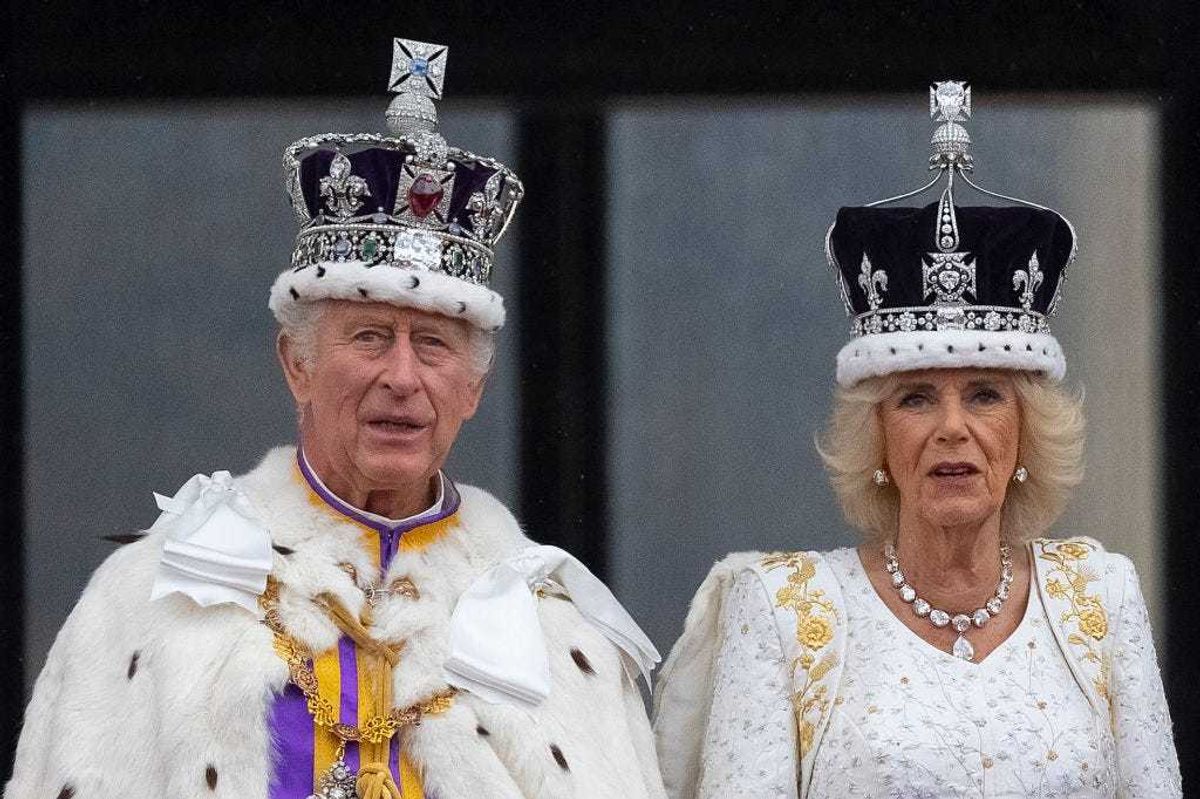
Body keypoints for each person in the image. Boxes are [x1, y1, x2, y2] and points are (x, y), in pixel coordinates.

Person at [7, 37, 666, 799]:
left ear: (474, 389)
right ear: (297, 365)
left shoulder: (559, 631)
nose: (402, 377)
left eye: (433, 344)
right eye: (369, 337)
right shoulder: (154, 596)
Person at [653, 81, 1181, 798]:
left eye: (986, 394)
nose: (952, 426)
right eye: (917, 397)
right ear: (877, 433)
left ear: (1026, 431)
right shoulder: (782, 610)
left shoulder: (1101, 596)